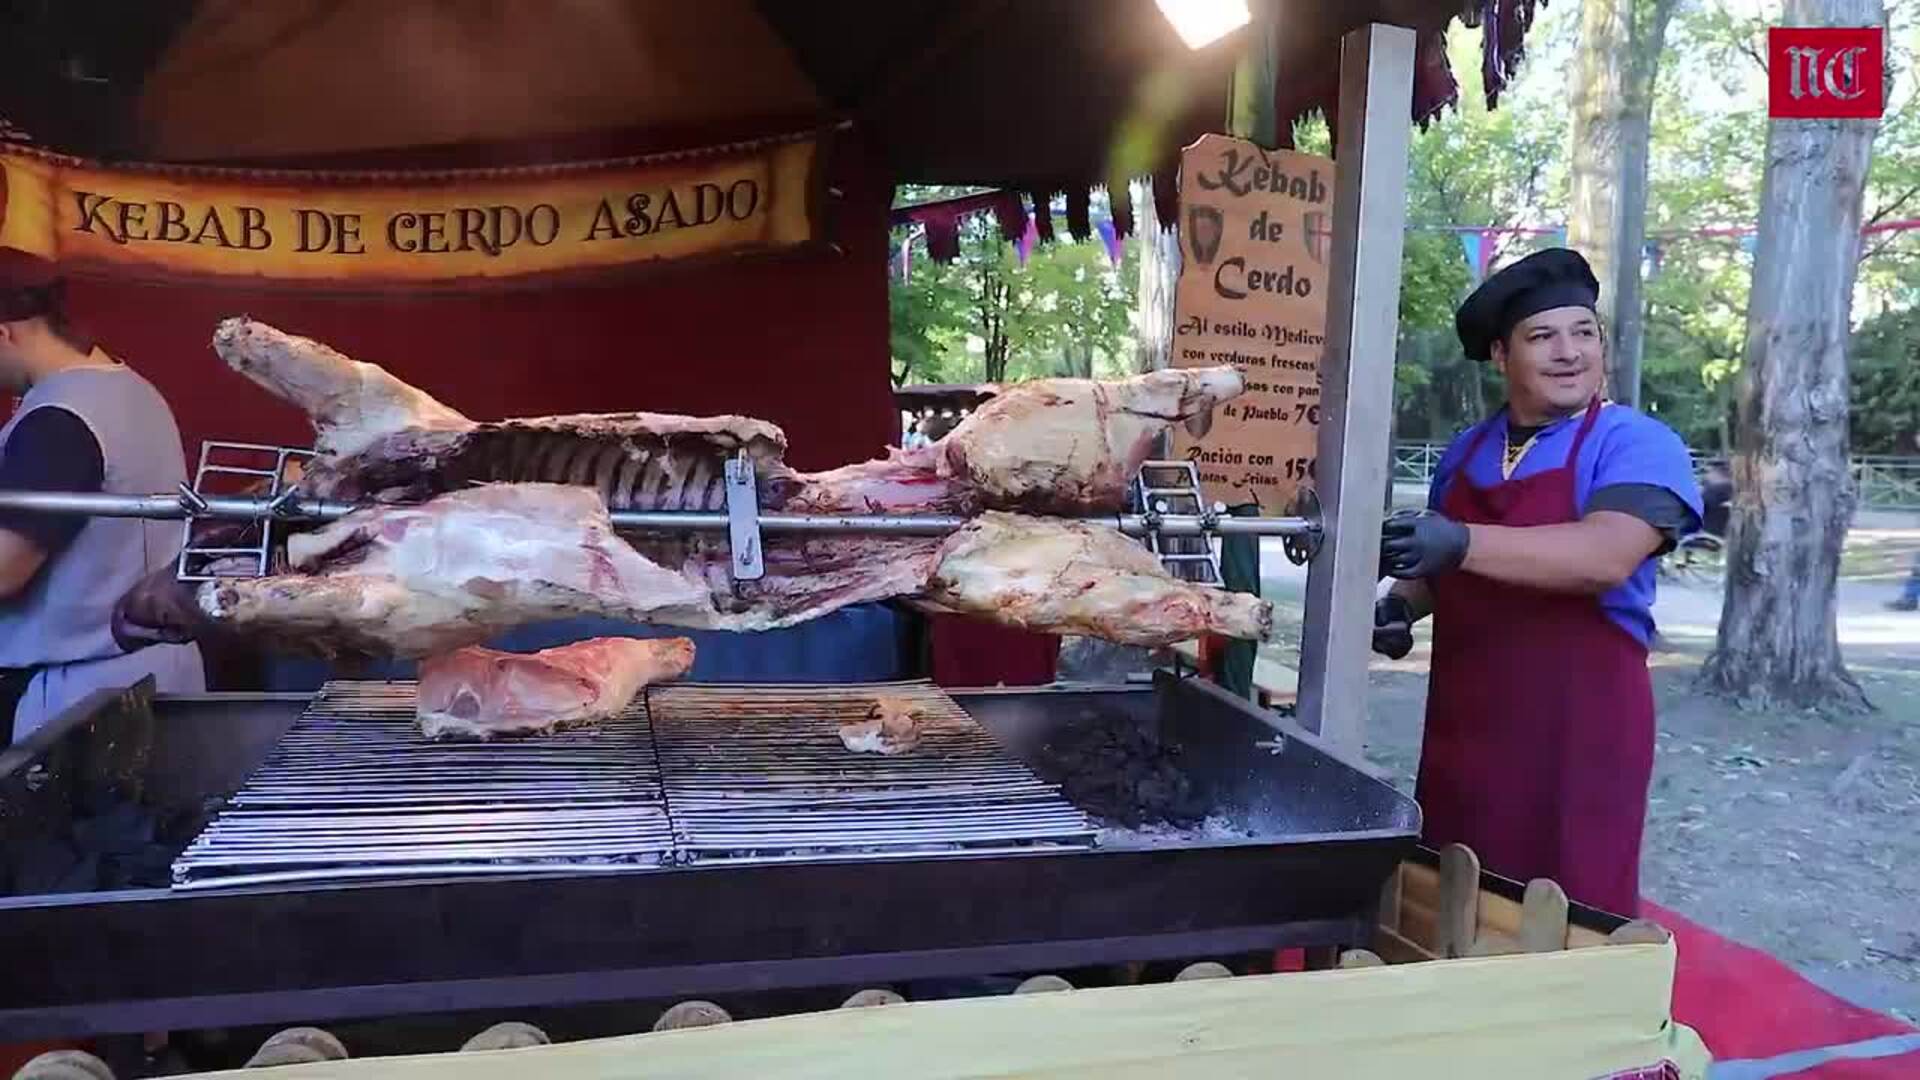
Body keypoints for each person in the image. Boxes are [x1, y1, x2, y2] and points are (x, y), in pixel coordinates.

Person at [1370, 248, 1702, 916]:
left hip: (1580, 727)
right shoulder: (1468, 450)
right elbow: (1450, 569)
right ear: (1501, 355)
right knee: (1455, 887)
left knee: (1571, 897)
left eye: (1584, 333)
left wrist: (1458, 540)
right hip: (1467, 718)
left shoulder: (1635, 442)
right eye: (1542, 336)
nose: (1569, 352)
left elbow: (1606, 554)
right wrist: (1403, 604)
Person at [0, 248, 204, 745]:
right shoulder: (134, 389)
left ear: (4, 333)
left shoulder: (59, 418)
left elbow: (4, 571)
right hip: (160, 674)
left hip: (82, 701)